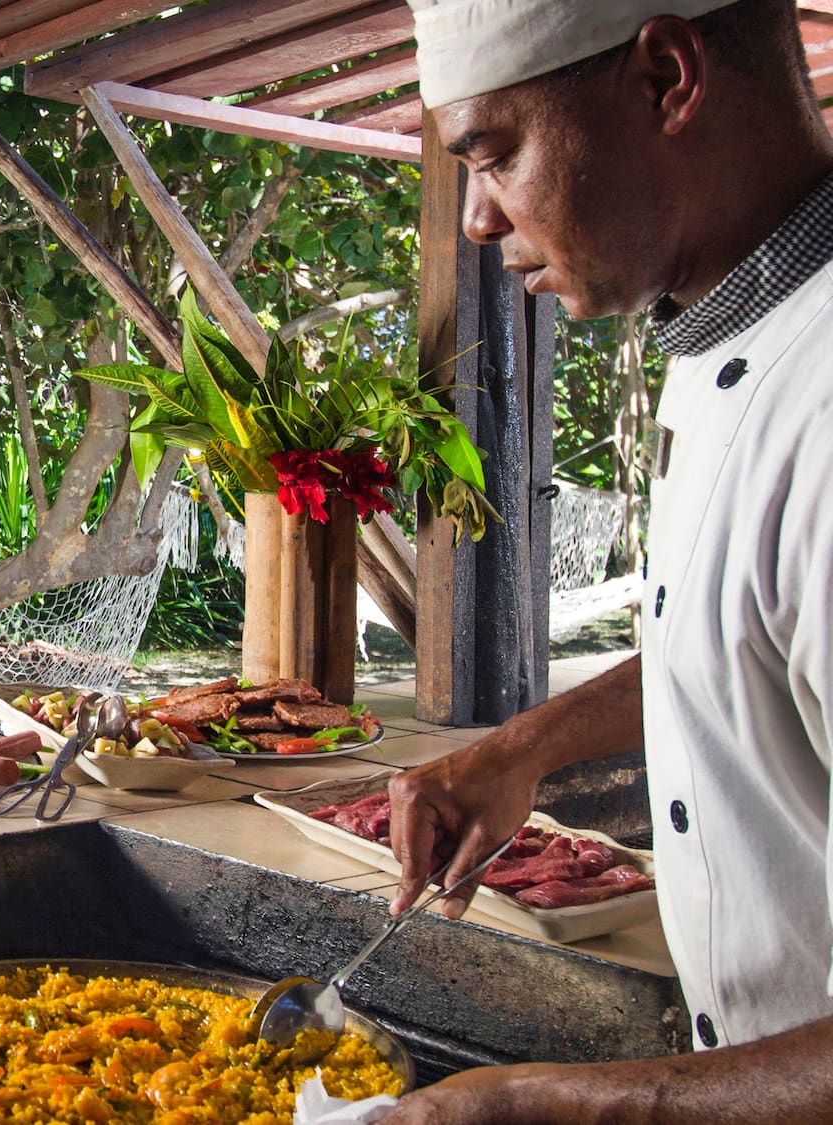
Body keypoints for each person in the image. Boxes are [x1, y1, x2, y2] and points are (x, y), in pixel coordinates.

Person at [379, 1, 833, 1121]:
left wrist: (553, 1106)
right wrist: (521, 749)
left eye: (492, 153)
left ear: (665, 78)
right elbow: (746, 635)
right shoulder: (729, 325)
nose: (477, 218)